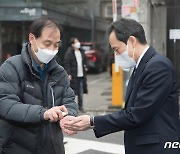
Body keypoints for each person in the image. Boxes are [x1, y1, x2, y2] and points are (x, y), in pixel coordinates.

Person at [61, 18, 180, 154]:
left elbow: (136, 115)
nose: (116, 55)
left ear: (131, 41)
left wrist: (92, 121)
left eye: (116, 49)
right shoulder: (142, 66)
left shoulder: (158, 66)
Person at [0, 17, 78, 154]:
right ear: (32, 38)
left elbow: (69, 100)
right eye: (47, 43)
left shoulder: (59, 72)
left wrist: (68, 117)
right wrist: (44, 113)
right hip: (17, 148)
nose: (52, 49)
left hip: (52, 148)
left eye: (56, 45)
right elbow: (6, 104)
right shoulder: (11, 67)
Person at [64, 37, 88, 112]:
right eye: (76, 42)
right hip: (73, 76)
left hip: (81, 75)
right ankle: (72, 108)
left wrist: (85, 67)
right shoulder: (69, 53)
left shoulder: (81, 52)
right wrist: (68, 73)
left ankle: (81, 107)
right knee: (72, 93)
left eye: (78, 41)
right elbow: (67, 63)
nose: (78, 43)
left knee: (80, 92)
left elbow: (84, 62)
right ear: (72, 44)